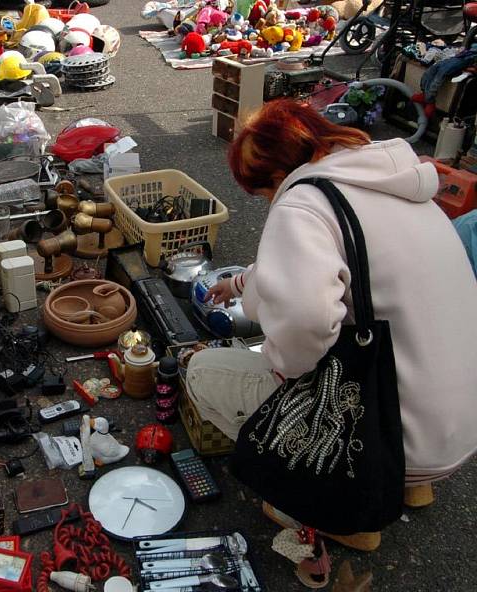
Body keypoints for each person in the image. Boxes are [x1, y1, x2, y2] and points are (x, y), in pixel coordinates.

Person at [187, 99, 477, 551]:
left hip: (385, 436)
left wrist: (282, 368)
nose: (269, 204)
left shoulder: (302, 202)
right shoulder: (392, 186)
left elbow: (305, 321)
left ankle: (337, 516)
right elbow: (324, 265)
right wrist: (241, 283)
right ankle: (411, 487)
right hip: (455, 428)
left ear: (278, 178)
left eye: (263, 194)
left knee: (204, 371)